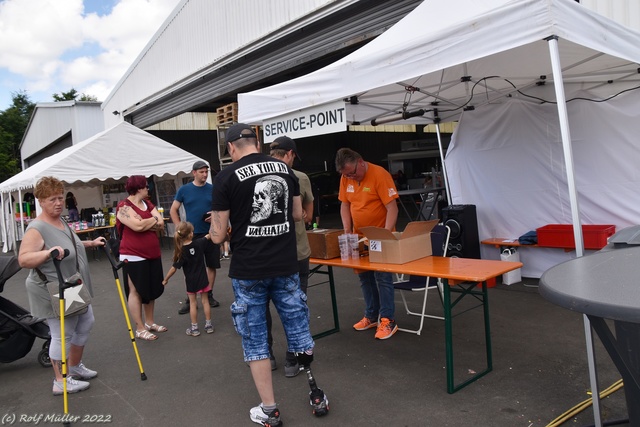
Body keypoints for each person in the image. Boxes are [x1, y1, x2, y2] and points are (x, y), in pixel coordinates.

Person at [210, 123, 328, 426]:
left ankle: (269, 408)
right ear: (257, 142)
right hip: (286, 263)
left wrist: (223, 225)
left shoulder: (225, 177)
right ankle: (315, 392)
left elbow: (217, 236)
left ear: (231, 148)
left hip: (249, 269)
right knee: (297, 326)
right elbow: (297, 215)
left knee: (256, 339)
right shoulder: (285, 170)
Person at [18, 176, 105, 395]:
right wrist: (47, 252)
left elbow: (70, 245)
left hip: (70, 284)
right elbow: (23, 259)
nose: (58, 203)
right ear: (41, 201)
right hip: (52, 287)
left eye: (60, 198)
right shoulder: (37, 228)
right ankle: (60, 380)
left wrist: (90, 243)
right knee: (61, 333)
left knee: (86, 321)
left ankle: (74, 366)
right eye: (52, 199)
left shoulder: (61, 220)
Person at [335, 147, 400, 340]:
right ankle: (371, 315)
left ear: (361, 162)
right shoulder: (346, 178)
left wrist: (386, 235)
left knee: (383, 278)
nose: (350, 177)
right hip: (359, 237)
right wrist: (347, 230)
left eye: (352, 173)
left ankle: (388, 319)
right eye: (346, 175)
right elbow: (345, 204)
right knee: (365, 278)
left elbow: (392, 208)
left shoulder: (380, 175)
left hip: (380, 237)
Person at [268, 135, 314, 377]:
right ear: (290, 154)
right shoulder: (299, 177)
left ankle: (266, 356)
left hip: (266, 254)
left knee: (260, 306)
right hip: (296, 251)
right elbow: (307, 210)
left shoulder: (258, 175)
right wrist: (305, 220)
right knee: (296, 306)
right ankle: (293, 359)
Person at [116, 175, 166, 341]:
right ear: (138, 188)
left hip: (152, 253)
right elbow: (136, 226)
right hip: (132, 255)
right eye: (145, 186)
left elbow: (161, 223)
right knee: (136, 290)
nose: (148, 189)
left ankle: (150, 322)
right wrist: (152, 221)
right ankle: (140, 327)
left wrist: (145, 222)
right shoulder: (123, 207)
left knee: (150, 289)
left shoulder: (147, 204)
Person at [170, 161, 220, 314]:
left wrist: (215, 217)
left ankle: (208, 294)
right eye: (201, 172)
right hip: (191, 235)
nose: (204, 174)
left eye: (206, 172)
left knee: (211, 264)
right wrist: (180, 228)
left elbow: (221, 209)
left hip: (211, 233)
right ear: (194, 173)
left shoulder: (213, 189)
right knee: (190, 267)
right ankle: (190, 298)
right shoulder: (184, 190)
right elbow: (173, 209)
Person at [162, 221, 214, 336]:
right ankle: (208, 325)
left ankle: (194, 328)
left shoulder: (181, 252)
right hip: (203, 279)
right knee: (205, 302)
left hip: (191, 281)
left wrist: (166, 279)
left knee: (192, 303)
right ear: (191, 234)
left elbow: (174, 268)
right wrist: (213, 222)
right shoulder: (199, 243)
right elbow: (208, 236)